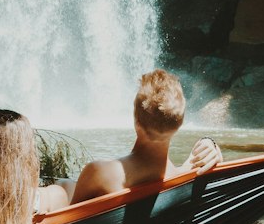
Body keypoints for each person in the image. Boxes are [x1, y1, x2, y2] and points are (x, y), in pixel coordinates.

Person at [71, 69, 222, 204]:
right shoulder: (187, 174)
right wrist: (210, 143)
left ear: (136, 119)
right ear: (179, 125)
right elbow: (201, 161)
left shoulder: (99, 173)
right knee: (65, 185)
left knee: (57, 191)